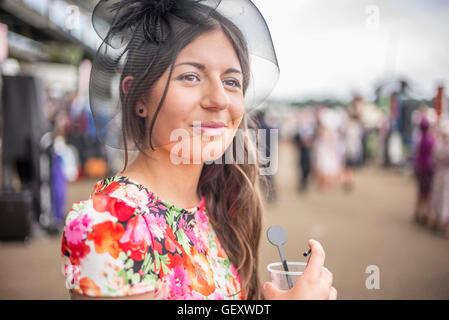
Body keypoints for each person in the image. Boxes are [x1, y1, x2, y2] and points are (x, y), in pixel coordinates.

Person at [61, 0, 336, 300]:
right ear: (137, 96)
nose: (219, 99)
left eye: (232, 81)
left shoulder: (217, 205)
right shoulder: (111, 225)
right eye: (190, 76)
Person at [413, 118, 435, 224]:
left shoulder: (419, 139)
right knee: (427, 193)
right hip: (427, 168)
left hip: (420, 166)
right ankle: (425, 213)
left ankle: (418, 212)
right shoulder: (430, 140)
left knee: (420, 192)